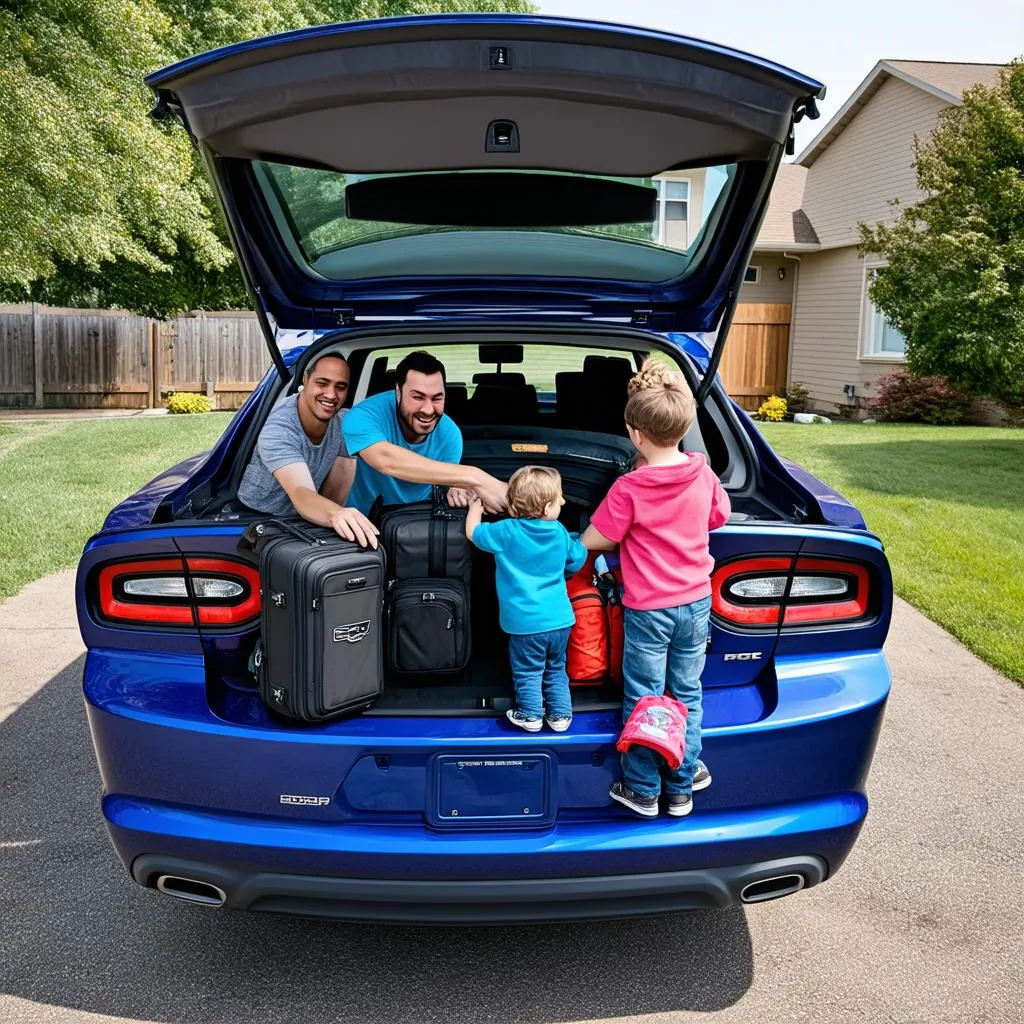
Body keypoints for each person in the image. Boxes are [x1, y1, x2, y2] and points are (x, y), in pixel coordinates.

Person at [581, 359, 731, 818]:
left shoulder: (631, 487)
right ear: (684, 427)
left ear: (635, 433)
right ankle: (682, 784)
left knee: (645, 697)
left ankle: (643, 788)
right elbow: (718, 516)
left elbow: (595, 538)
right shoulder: (703, 474)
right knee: (686, 692)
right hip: (695, 602)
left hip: (649, 610)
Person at [466, 466, 587, 733]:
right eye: (559, 500)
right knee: (556, 668)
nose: (564, 503)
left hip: (524, 625)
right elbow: (578, 558)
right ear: (546, 509)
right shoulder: (559, 532)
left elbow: (473, 534)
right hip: (560, 621)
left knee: (528, 670)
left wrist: (475, 511)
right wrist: (567, 561)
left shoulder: (505, 531)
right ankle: (560, 716)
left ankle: (531, 714)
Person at [237, 353, 378, 547]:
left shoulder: (343, 422)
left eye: (340, 387)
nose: (331, 394)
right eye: (322, 383)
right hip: (258, 520)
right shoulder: (279, 429)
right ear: (305, 379)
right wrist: (336, 514)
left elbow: (347, 472)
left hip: (303, 520)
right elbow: (301, 493)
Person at [342, 350, 507, 514]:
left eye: (437, 398)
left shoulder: (450, 435)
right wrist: (477, 478)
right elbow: (385, 459)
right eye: (418, 397)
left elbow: (442, 482)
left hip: (418, 526)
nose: (428, 410)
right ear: (398, 393)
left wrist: (457, 490)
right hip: (362, 525)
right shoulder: (362, 416)